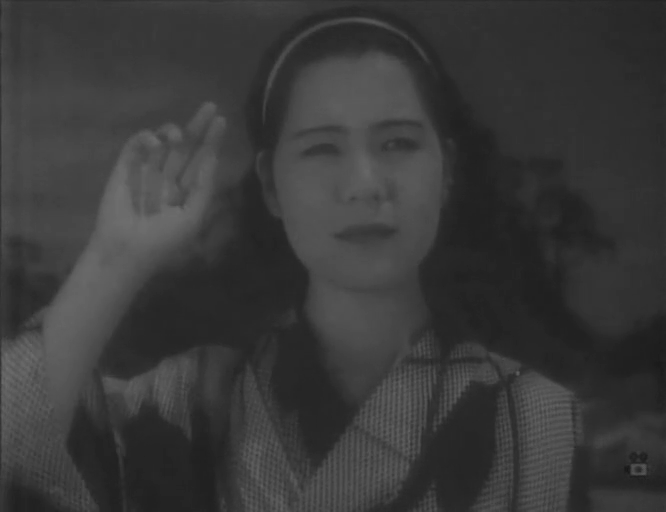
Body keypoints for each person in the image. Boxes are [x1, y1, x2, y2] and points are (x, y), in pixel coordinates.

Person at [1, 6, 589, 511]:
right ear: (271, 185)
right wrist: (116, 256)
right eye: (322, 149)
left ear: (448, 170)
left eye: (398, 143)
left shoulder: (533, 416)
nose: (364, 184)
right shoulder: (194, 400)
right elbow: (12, 449)